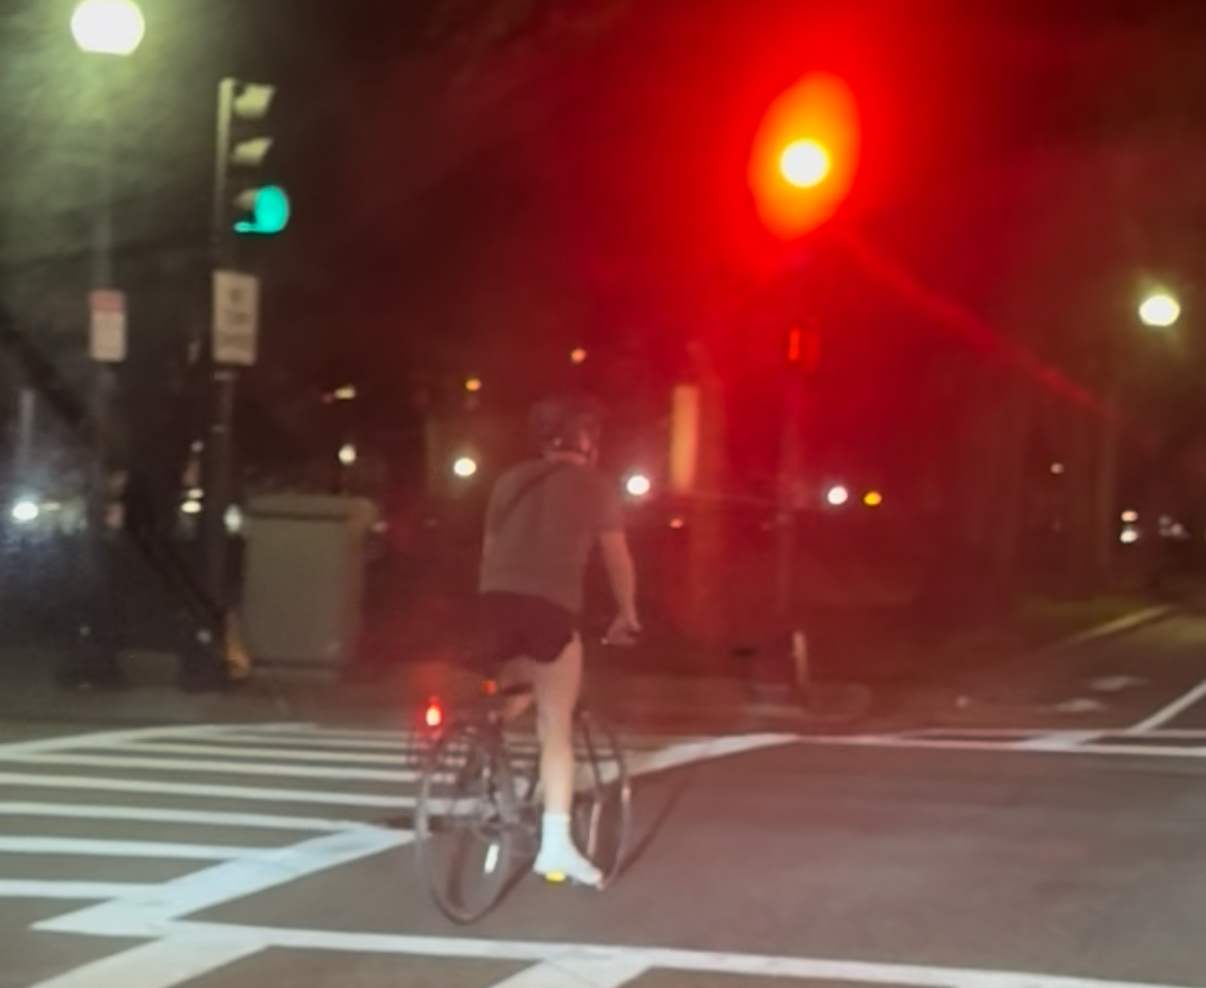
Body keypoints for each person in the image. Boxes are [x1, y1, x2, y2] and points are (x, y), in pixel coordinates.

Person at [478, 392, 641, 887]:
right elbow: (617, 559)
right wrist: (627, 613)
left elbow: (489, 553)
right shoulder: (596, 486)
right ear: (586, 438)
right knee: (556, 725)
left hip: (495, 604)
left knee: (517, 686)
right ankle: (556, 847)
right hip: (550, 608)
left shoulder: (508, 481)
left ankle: (484, 751)